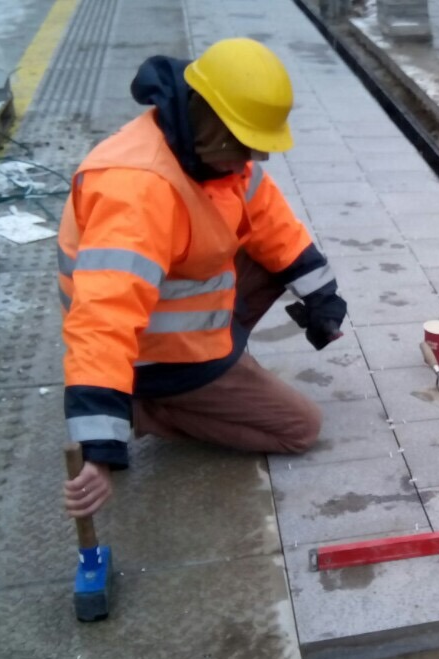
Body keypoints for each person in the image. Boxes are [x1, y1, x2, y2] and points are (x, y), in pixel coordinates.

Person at [58, 38, 347, 518]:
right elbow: (103, 318)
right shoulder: (138, 189)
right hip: (153, 355)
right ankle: (153, 407)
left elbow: (274, 225)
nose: (253, 162)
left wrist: (324, 300)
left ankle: (206, 376)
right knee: (300, 428)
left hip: (177, 322)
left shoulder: (215, 155)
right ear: (216, 127)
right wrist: (99, 447)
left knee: (273, 259)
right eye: (247, 148)